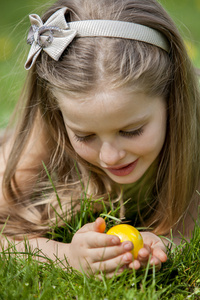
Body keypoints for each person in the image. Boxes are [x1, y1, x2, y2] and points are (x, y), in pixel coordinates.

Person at [0, 0, 199, 278]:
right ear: (57, 114)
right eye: (85, 135)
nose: (110, 156)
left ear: (173, 100)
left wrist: (166, 243)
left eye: (131, 131)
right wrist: (66, 255)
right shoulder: (44, 137)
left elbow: (186, 235)